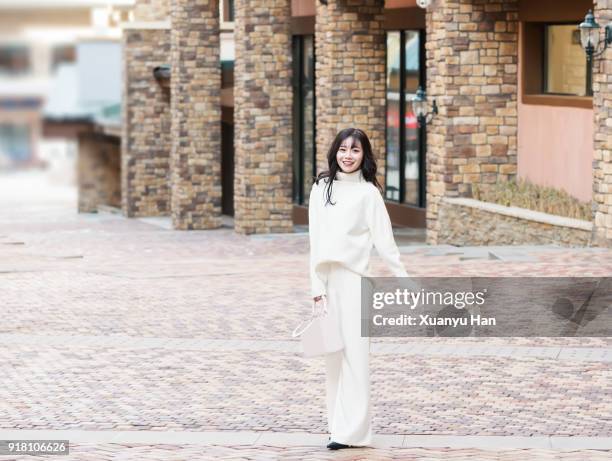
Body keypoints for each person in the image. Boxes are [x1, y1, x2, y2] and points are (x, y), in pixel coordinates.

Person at [308, 127, 410, 450]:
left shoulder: (369, 195)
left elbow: (386, 245)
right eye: (343, 149)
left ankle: (353, 432)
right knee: (333, 359)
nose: (348, 156)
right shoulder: (320, 189)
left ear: (364, 156)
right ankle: (337, 426)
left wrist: (406, 282)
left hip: (357, 284)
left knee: (356, 360)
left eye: (355, 150)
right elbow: (315, 242)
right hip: (328, 284)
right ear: (335, 152)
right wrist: (316, 288)